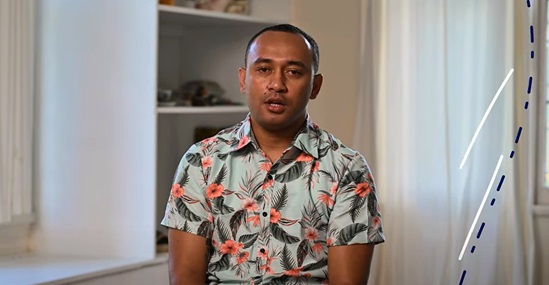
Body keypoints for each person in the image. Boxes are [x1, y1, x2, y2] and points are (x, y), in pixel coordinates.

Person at [161, 23, 385, 285]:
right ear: (244, 79)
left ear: (315, 86)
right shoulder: (201, 161)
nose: (277, 84)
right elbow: (185, 277)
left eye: (293, 72)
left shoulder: (348, 168)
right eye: (264, 69)